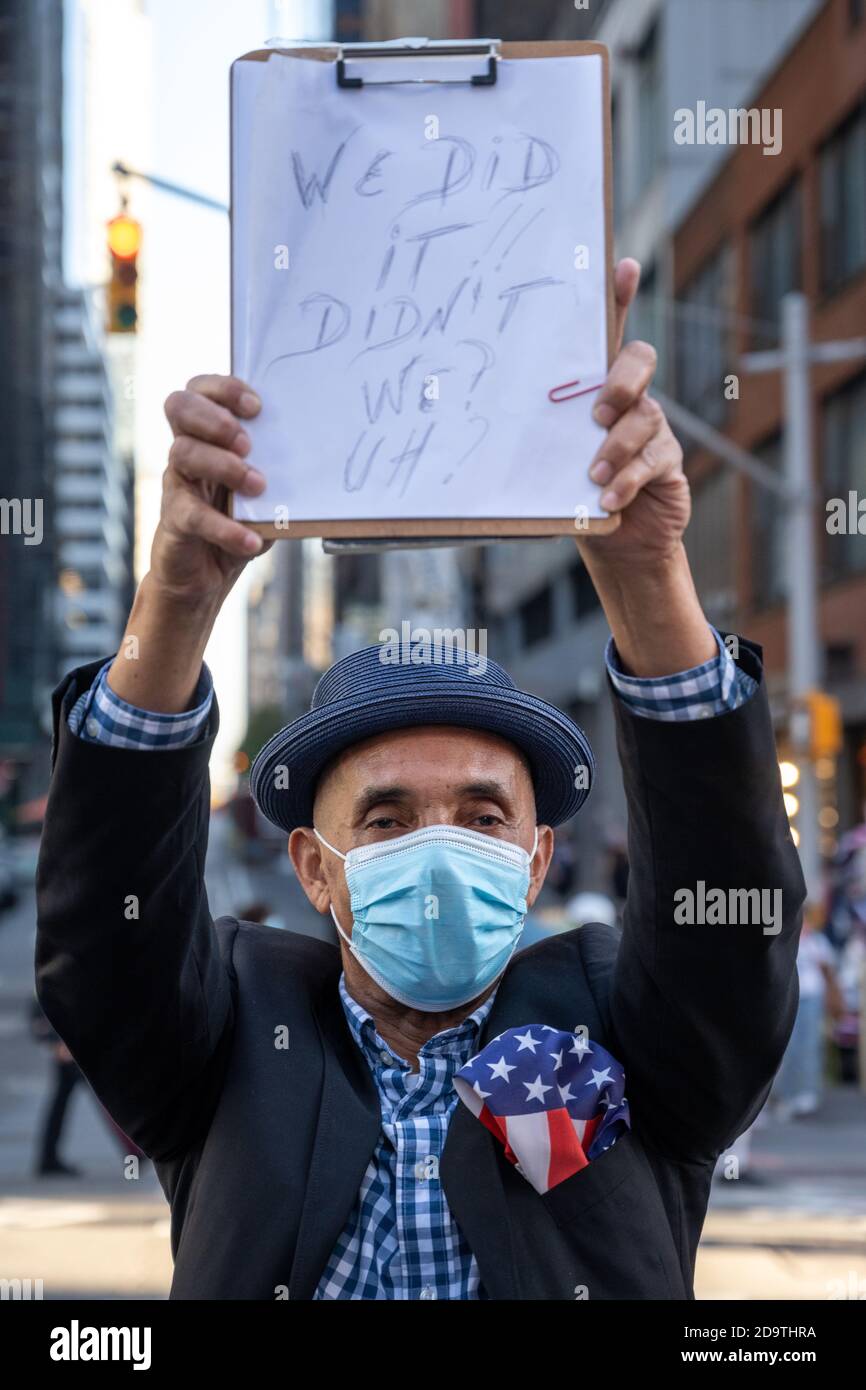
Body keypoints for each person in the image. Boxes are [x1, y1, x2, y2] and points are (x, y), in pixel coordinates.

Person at [35, 260, 805, 1300]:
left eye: (483, 815)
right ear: (314, 867)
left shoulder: (621, 1035)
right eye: (387, 818)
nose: (438, 847)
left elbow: (726, 933)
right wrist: (175, 598)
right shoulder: (227, 1046)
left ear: (537, 858)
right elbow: (104, 943)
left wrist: (646, 579)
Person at [772, 908, 844, 1119]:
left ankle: (807, 1092)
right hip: (790, 998)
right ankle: (787, 1094)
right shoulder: (787, 939)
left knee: (810, 1045)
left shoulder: (817, 942)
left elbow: (829, 971)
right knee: (790, 1048)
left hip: (813, 998)